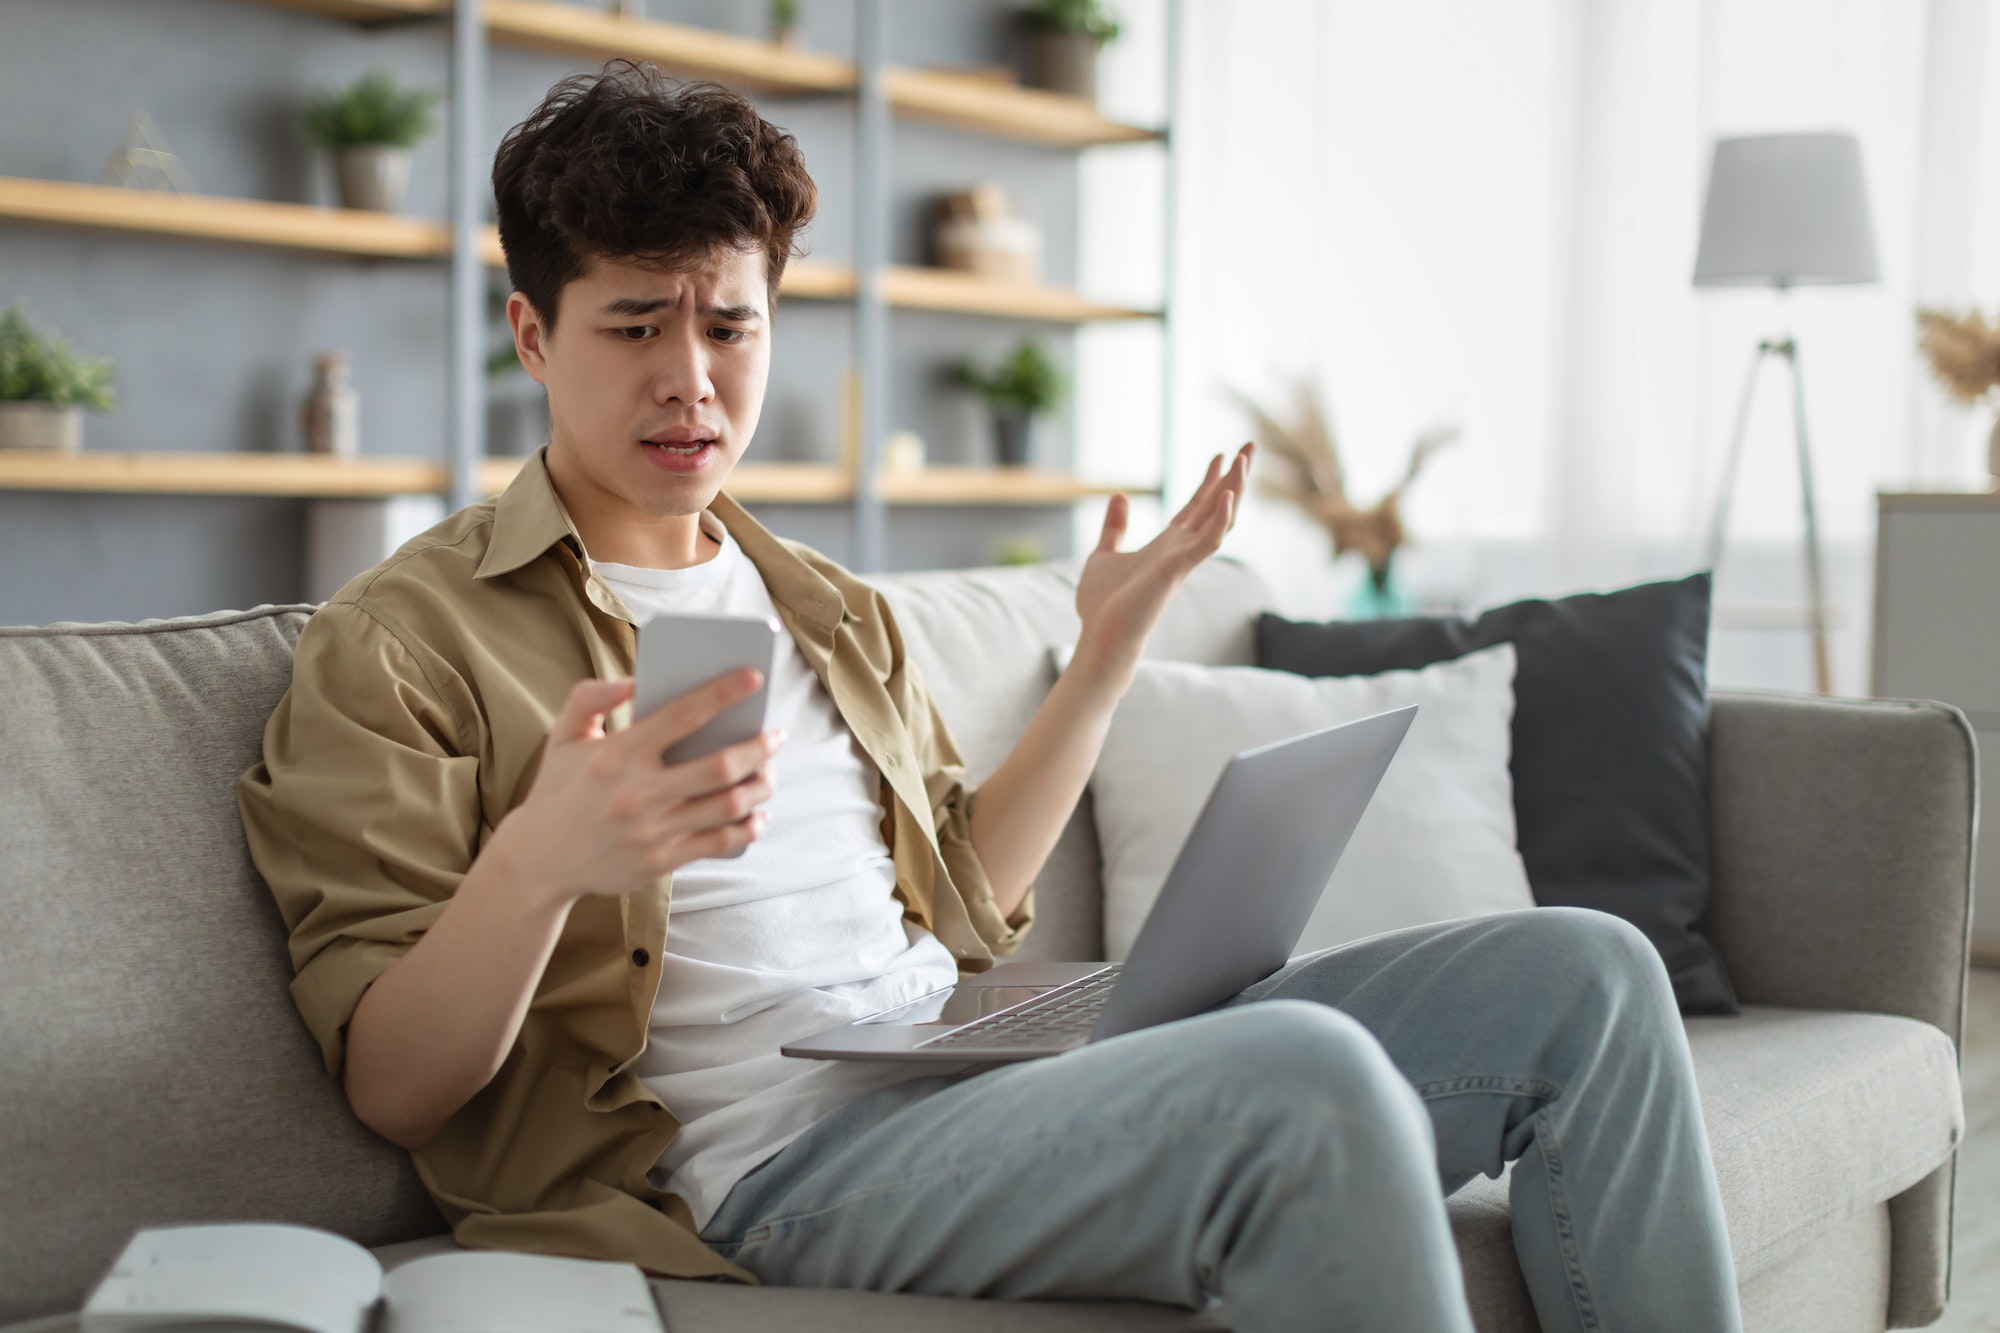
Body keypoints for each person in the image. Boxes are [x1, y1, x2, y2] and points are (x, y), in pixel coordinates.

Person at [238, 62, 1741, 1333]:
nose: (690, 379)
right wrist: (544, 860)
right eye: (635, 325)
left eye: (730, 325)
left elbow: (961, 905)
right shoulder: (404, 642)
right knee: (1306, 1078)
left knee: (1591, 980)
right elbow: (395, 1084)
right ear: (531, 335)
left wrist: (1103, 656)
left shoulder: (821, 602)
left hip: (957, 1065)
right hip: (764, 1175)